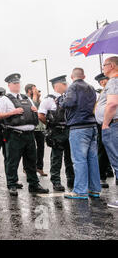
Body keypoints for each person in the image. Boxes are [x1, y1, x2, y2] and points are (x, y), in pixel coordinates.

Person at [0, 73, 49, 197]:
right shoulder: (4, 99)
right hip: (15, 134)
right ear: (9, 85)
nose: (17, 85)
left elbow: (33, 111)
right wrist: (13, 112)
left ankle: (34, 184)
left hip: (29, 135)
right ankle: (12, 184)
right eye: (14, 83)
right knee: (12, 161)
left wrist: (35, 111)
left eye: (18, 83)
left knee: (31, 161)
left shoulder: (26, 97)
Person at [60, 68, 101, 200]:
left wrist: (61, 102)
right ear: (84, 75)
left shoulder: (73, 87)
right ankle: (94, 189)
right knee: (92, 159)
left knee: (79, 160)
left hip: (78, 127)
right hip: (92, 125)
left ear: (72, 76)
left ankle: (80, 191)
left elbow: (69, 102)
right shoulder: (91, 87)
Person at [38, 75, 74, 192]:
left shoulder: (69, 97)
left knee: (70, 157)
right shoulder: (49, 99)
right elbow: (41, 115)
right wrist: (50, 125)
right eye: (63, 84)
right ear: (56, 86)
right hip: (57, 131)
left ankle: (71, 179)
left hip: (69, 129)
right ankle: (56, 181)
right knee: (56, 158)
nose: (66, 85)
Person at [94, 56, 118, 208]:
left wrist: (105, 123)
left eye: (104, 65)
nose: (103, 68)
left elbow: (112, 104)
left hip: (113, 125)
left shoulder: (114, 81)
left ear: (112, 66)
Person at [94, 72, 114, 187]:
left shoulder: (112, 89)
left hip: (111, 122)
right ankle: (102, 175)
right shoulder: (100, 93)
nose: (103, 83)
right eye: (101, 82)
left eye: (104, 80)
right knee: (102, 150)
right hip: (102, 124)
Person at [25, 84, 47, 177]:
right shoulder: (25, 99)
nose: (37, 91)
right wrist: (34, 96)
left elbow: (41, 110)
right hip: (31, 128)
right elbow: (32, 108)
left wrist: (38, 98)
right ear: (29, 90)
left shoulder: (37, 100)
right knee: (29, 149)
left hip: (40, 128)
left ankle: (39, 167)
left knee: (41, 148)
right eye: (35, 89)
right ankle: (27, 168)